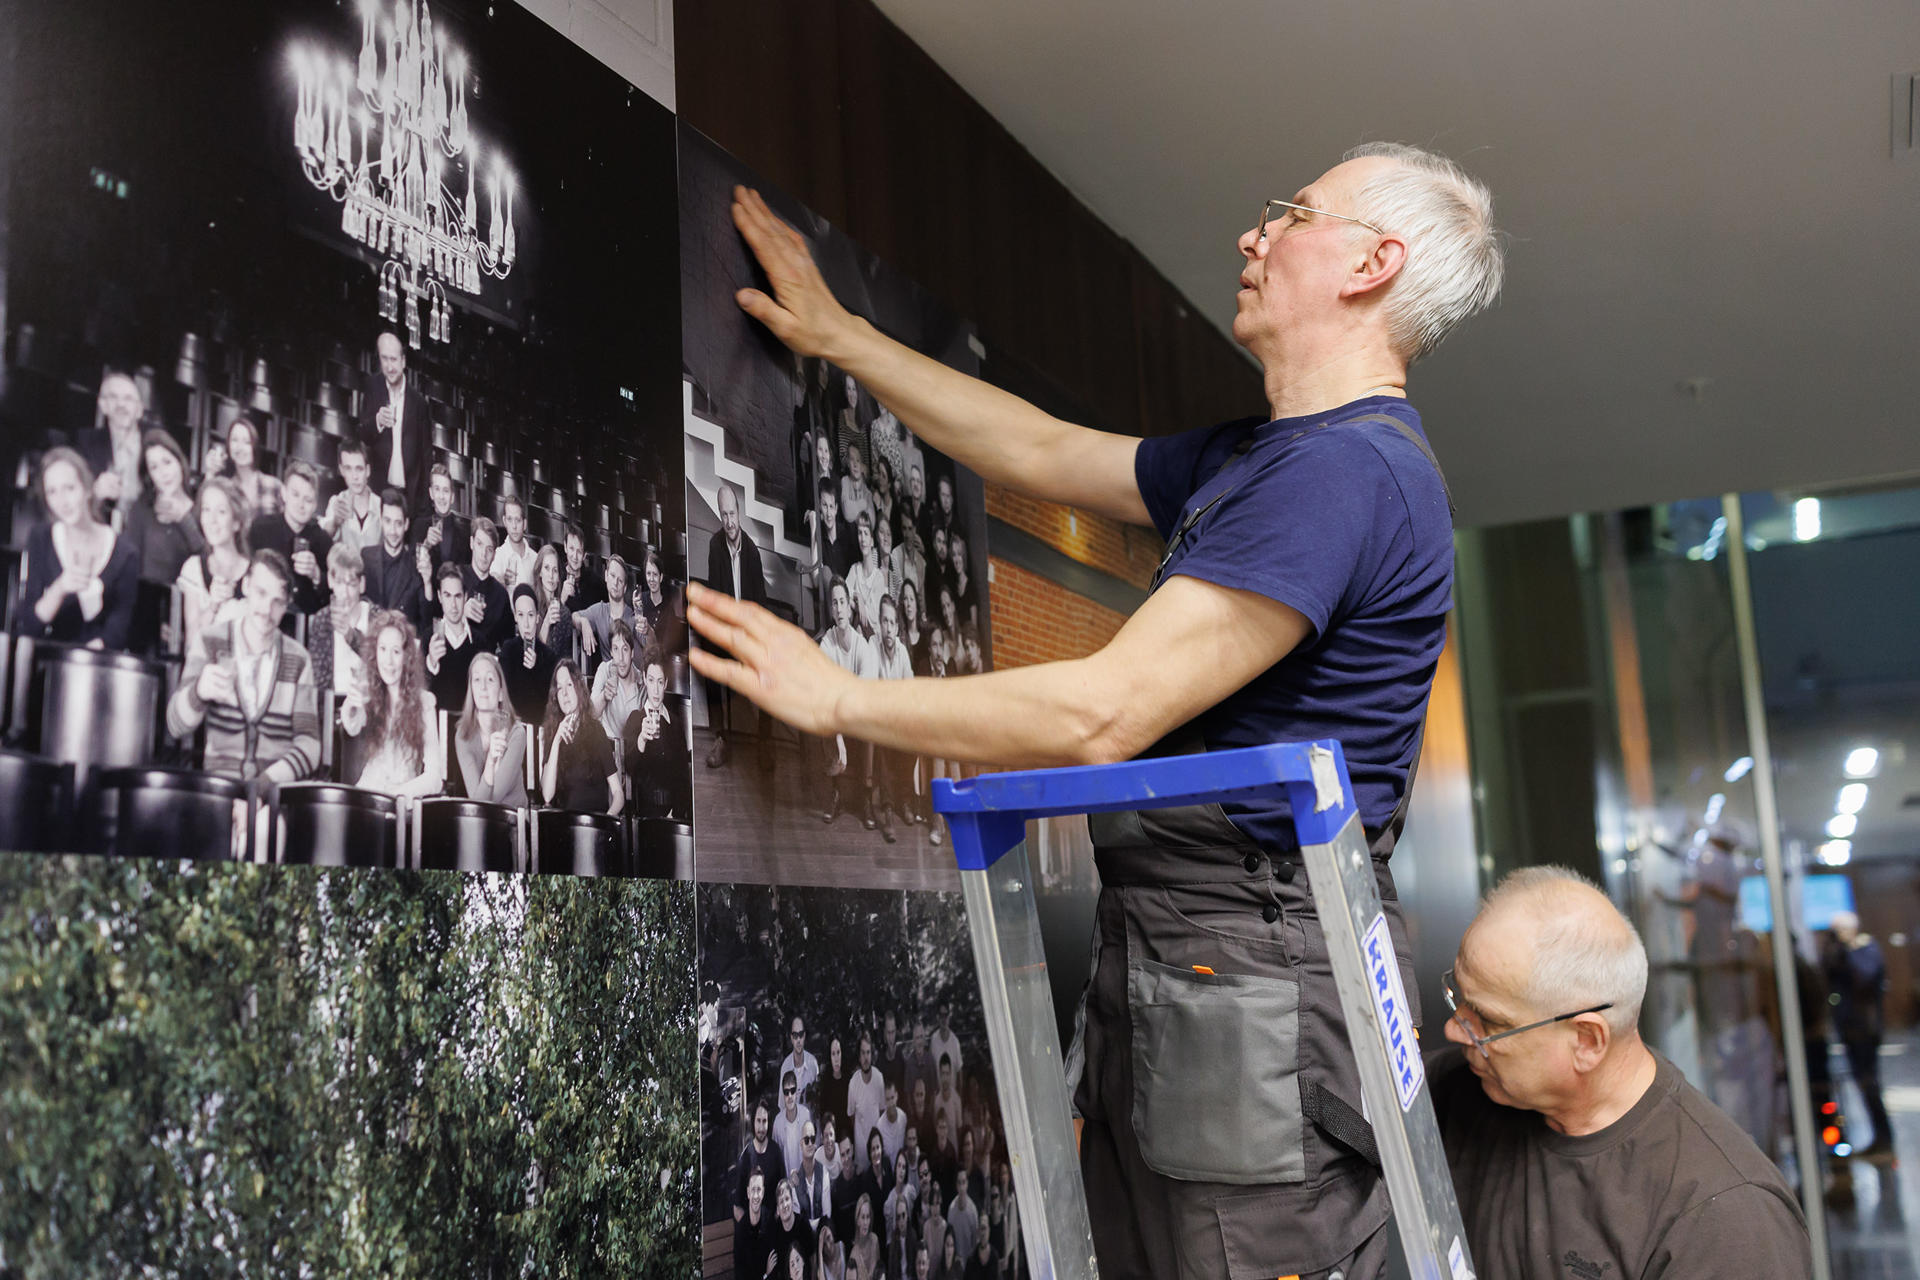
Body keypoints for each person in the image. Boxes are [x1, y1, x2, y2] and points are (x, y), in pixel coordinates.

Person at [689, 148, 1507, 1278]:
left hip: (1250, 953)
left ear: (1374, 264)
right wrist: (842, 336)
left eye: (1293, 215)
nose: (1254, 236)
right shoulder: (1269, 456)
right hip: (1192, 943)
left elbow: (1104, 712)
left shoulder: (1345, 474)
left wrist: (839, 695)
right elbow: (1039, 449)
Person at [1431, 866, 1811, 1277]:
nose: (1454, 1029)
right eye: (1459, 997)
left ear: (1587, 1041)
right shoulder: (1457, 1091)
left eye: (1487, 1021)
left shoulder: (1725, 1219)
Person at [166, 550, 320, 783]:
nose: (267, 610)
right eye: (261, 593)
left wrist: (264, 785)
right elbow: (175, 725)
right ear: (246, 586)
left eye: (277, 601)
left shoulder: (298, 659)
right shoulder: (210, 642)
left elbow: (310, 745)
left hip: (273, 792)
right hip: (220, 790)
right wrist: (198, 692)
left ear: (287, 603)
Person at [19, 447, 140, 651]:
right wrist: (60, 588)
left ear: (87, 489)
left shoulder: (125, 552)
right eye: (52, 492)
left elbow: (118, 632)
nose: (62, 501)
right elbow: (29, 626)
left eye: (69, 488)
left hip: (99, 661)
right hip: (48, 657)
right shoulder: (41, 538)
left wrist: (81, 658)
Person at [340, 610, 441, 798]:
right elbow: (352, 726)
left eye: (396, 651)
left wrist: (394, 797)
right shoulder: (370, 694)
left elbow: (434, 779)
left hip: (401, 802)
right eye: (382, 649)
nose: (388, 661)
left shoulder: (424, 702)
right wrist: (352, 705)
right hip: (367, 796)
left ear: (407, 657)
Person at [702, 483, 768, 769]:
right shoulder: (715, 547)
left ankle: (764, 742)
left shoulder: (752, 552)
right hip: (728, 630)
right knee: (709, 653)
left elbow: (760, 604)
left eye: (732, 514)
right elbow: (716, 598)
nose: (729, 521)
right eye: (724, 515)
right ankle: (721, 738)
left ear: (739, 513)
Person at [121, 429, 204, 650]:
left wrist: (184, 520)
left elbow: (208, 564)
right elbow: (130, 571)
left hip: (192, 617)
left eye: (167, 462)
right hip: (146, 619)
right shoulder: (141, 509)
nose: (163, 473)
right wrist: (152, 623)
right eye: (154, 467)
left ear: (180, 462)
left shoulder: (202, 508)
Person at [1824, 910, 1895, 1162]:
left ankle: (1884, 1139)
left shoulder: (1865, 949)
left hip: (1865, 1028)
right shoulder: (1841, 951)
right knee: (1863, 1084)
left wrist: (1849, 950)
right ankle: (1879, 1138)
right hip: (1850, 1028)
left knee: (1869, 1084)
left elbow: (1863, 978)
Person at [248, 460, 332, 636]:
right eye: (295, 495)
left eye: (308, 499)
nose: (301, 504)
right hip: (262, 620)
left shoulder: (323, 541)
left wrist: (316, 575)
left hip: (305, 630)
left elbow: (332, 595)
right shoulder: (260, 529)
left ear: (315, 505)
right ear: (284, 494)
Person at [359, 330, 430, 516]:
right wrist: (377, 421)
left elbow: (426, 457)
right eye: (385, 359)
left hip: (408, 497)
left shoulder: (419, 404)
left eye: (394, 359)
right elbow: (362, 434)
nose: (389, 367)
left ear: (403, 361)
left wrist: (424, 506)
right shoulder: (372, 386)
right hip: (378, 491)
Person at [176, 475, 252, 649]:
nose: (212, 520)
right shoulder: (193, 568)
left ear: (236, 522)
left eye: (221, 512)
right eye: (206, 510)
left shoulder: (256, 573)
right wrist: (213, 606)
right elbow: (191, 645)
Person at [63, 371, 146, 525]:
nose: (121, 405)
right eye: (113, 397)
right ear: (103, 405)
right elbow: (66, 497)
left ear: (139, 408)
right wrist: (95, 492)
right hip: (101, 529)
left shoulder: (155, 443)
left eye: (128, 398)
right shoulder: (84, 442)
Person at [540, 659, 620, 816]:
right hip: (564, 822)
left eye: (569, 685)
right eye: (559, 688)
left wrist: (607, 819)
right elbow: (547, 796)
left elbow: (618, 793)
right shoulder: (553, 733)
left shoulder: (596, 730)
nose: (564, 693)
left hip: (594, 822)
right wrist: (556, 742)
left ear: (578, 688)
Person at [454, 650, 528, 806]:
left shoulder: (517, 733)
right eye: (477, 679)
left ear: (501, 693)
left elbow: (493, 799)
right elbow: (478, 804)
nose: (483, 687)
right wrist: (490, 761)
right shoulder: (462, 735)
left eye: (490, 679)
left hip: (514, 817)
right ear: (471, 691)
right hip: (482, 818)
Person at [620, 646, 686, 818]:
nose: (655, 690)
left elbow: (683, 776)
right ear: (644, 679)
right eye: (651, 680)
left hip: (673, 814)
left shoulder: (675, 723)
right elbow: (629, 768)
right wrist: (641, 739)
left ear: (666, 683)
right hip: (644, 814)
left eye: (660, 682)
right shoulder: (635, 719)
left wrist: (675, 813)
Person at [307, 542, 372, 698]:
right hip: (332, 706)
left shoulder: (376, 617)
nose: (345, 593)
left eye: (351, 584)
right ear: (330, 581)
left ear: (362, 584)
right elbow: (318, 683)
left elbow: (380, 661)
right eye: (339, 583)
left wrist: (351, 636)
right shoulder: (322, 621)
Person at [360, 490, 428, 636]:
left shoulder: (416, 567)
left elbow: (425, 621)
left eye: (398, 523)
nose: (393, 531)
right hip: (371, 641)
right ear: (380, 520)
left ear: (406, 524)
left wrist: (427, 582)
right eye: (388, 521)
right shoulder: (366, 557)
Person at [424, 562, 484, 712]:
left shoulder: (479, 642)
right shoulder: (429, 638)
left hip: (470, 723)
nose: (453, 605)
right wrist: (431, 663)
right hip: (437, 723)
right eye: (447, 596)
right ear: (439, 596)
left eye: (457, 596)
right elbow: (419, 690)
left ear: (465, 596)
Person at [455, 516, 511, 650]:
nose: (483, 554)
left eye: (489, 549)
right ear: (471, 543)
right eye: (479, 544)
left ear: (494, 555)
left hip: (486, 660)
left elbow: (508, 644)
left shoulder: (501, 595)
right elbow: (436, 622)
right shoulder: (455, 576)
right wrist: (460, 613)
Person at [320, 438, 383, 556]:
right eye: (348, 469)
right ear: (341, 470)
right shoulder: (336, 503)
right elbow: (323, 539)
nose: (355, 477)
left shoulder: (381, 505)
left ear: (368, 470)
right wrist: (335, 523)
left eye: (359, 469)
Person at [735, 1097, 790, 1224]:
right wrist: (748, 1229)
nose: (761, 1127)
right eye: (758, 1121)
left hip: (773, 1226)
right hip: (752, 1227)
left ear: (768, 1123)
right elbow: (737, 1207)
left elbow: (784, 1191)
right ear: (753, 1122)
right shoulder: (746, 1157)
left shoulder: (775, 1152)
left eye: (764, 1121)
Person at [572, 554, 632, 664]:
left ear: (625, 587)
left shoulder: (632, 618)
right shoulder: (599, 610)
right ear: (606, 576)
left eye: (620, 580)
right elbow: (574, 616)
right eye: (612, 576)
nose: (615, 583)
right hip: (606, 672)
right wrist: (583, 622)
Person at [411, 462, 470, 573]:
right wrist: (426, 544)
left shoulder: (464, 531)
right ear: (431, 493)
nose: (441, 496)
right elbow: (411, 568)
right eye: (437, 489)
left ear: (452, 497)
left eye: (446, 491)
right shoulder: (419, 526)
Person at [223, 413, 281, 523]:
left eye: (247, 442)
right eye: (234, 440)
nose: (240, 447)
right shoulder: (226, 490)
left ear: (255, 446)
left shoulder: (274, 485)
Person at [490, 496, 539, 591]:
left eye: (518, 520)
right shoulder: (497, 555)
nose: (514, 526)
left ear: (525, 524)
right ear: (504, 521)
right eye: (509, 519)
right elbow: (491, 585)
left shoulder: (535, 558)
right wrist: (503, 581)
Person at [773, 1068, 815, 1176]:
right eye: (786, 1092)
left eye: (792, 1090)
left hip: (806, 1177)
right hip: (787, 1180)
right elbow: (776, 1158)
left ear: (797, 1092)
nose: (790, 1096)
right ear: (783, 1094)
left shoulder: (806, 1115)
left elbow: (811, 1148)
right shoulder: (778, 1122)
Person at [735, 1169, 775, 1280]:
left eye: (759, 1190)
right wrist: (765, 1275)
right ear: (748, 1193)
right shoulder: (741, 1230)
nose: (756, 1195)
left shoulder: (769, 1222)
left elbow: (774, 1267)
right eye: (753, 1190)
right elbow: (740, 1275)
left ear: (763, 1192)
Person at [793, 1118, 832, 1230]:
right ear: (801, 1144)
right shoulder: (795, 1180)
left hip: (823, 1233)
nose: (810, 1144)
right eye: (806, 1140)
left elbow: (827, 1215)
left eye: (813, 1139)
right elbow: (797, 1222)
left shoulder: (824, 1173)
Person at [531, 543, 570, 653]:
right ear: (539, 572)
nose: (551, 575)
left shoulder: (564, 613)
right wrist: (547, 622)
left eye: (555, 570)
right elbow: (533, 652)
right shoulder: (531, 605)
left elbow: (564, 656)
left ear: (558, 577)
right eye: (547, 568)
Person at [559, 525, 604, 612]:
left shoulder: (595, 582)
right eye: (571, 549)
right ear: (565, 547)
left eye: (579, 551)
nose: (575, 556)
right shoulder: (557, 578)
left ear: (584, 555)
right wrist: (562, 599)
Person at [847, 1193, 880, 1280]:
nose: (865, 1222)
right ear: (857, 1220)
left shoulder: (874, 1240)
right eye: (862, 1217)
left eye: (868, 1217)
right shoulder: (853, 1255)